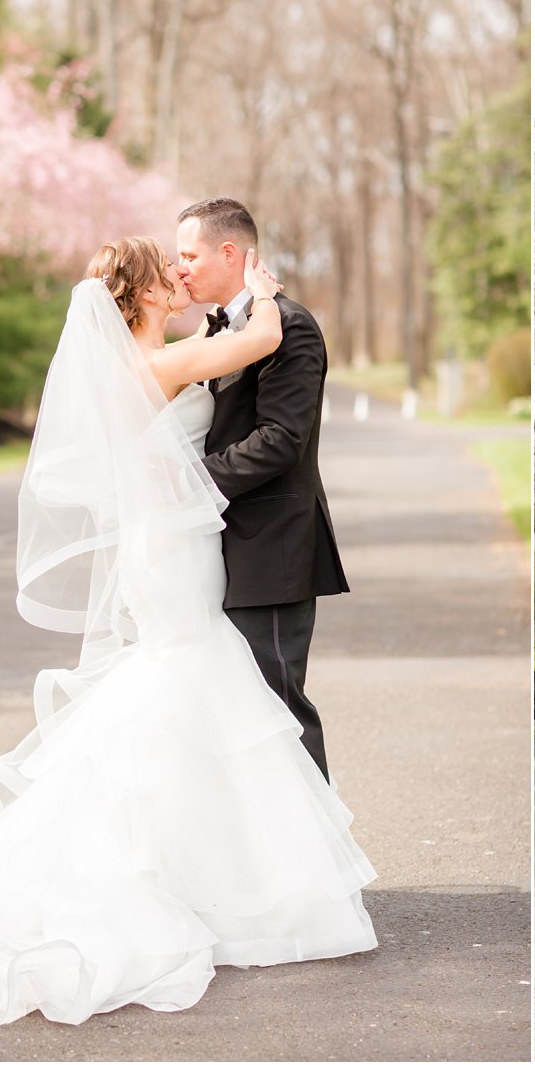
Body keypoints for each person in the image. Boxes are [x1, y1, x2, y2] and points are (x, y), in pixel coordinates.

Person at [0, 237, 377, 1028]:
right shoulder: (149, 367)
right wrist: (259, 287)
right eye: (168, 269)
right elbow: (253, 342)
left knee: (186, 691)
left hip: (169, 547)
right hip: (175, 555)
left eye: (189, 260)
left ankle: (201, 868)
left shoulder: (159, 355)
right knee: (189, 683)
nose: (181, 275)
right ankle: (212, 875)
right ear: (144, 295)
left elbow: (223, 354)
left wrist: (232, 305)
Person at [176, 197, 345, 780]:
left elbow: (281, 440)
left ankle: (322, 861)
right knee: (233, 709)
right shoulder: (217, 331)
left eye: (189, 255)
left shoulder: (289, 325)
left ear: (229, 252)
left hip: (271, 549)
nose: (181, 270)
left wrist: (188, 484)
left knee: (277, 702)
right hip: (217, 548)